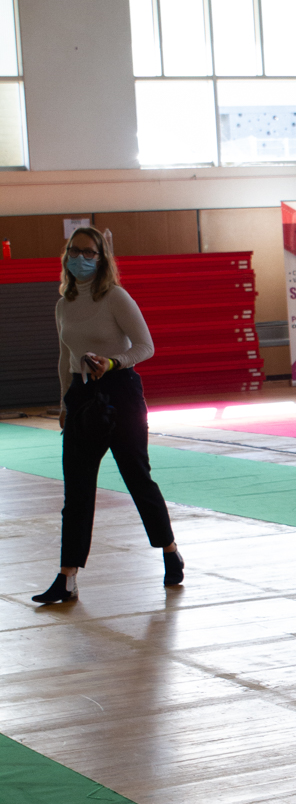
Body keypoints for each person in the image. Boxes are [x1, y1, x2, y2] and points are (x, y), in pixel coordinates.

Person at [32, 225, 183, 606]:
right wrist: (65, 403)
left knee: (137, 477)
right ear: (66, 255)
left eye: (89, 252)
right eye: (75, 251)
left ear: (101, 259)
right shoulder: (63, 304)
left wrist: (114, 361)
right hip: (81, 395)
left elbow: (145, 346)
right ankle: (67, 577)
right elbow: (65, 357)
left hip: (120, 392)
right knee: (77, 490)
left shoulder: (115, 297)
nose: (80, 258)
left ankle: (169, 551)